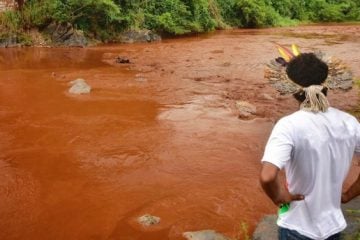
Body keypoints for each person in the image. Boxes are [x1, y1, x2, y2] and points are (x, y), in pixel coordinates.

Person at [260, 52, 360, 240]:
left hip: (296, 226)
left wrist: (280, 198)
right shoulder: (350, 122)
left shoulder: (288, 125)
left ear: (292, 89)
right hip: (333, 225)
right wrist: (347, 195)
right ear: (327, 84)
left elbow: (267, 177)